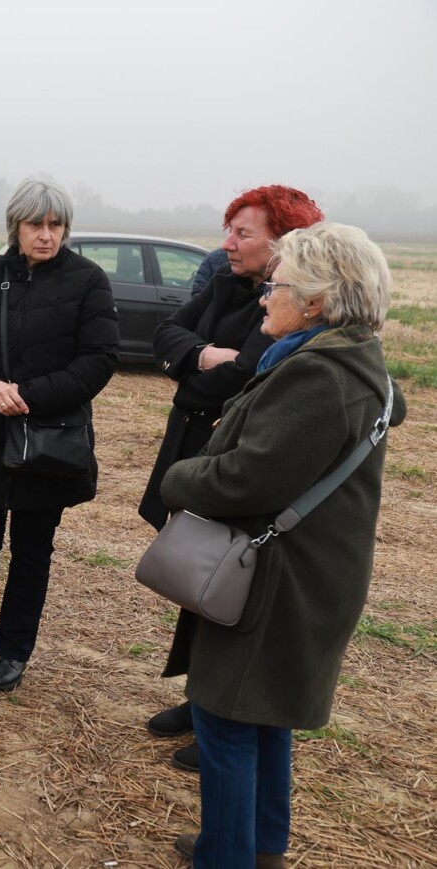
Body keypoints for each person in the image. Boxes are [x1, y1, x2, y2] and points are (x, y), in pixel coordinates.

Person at [162, 223, 404, 868]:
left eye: (279, 285)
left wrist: (179, 475)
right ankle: (255, 846)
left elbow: (248, 478)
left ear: (319, 302)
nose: (265, 296)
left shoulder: (317, 377)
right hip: (309, 573)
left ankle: (227, 858)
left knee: (224, 719)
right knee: (262, 715)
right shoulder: (353, 365)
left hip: (279, 581)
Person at [141, 185, 324, 774]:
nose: (227, 244)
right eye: (230, 231)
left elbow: (241, 379)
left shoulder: (287, 308)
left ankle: (216, 714)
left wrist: (197, 365)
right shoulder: (222, 279)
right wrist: (201, 356)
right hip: (196, 447)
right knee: (198, 577)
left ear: (284, 240)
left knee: (227, 584)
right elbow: (165, 336)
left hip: (231, 458)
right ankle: (200, 702)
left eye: (242, 233)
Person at [0, 179, 118, 692]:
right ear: (16, 226)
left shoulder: (88, 281)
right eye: (36, 224)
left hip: (49, 439)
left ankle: (13, 649)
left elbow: (99, 360)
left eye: (56, 225)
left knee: (32, 554)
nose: (47, 235)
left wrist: (30, 394)